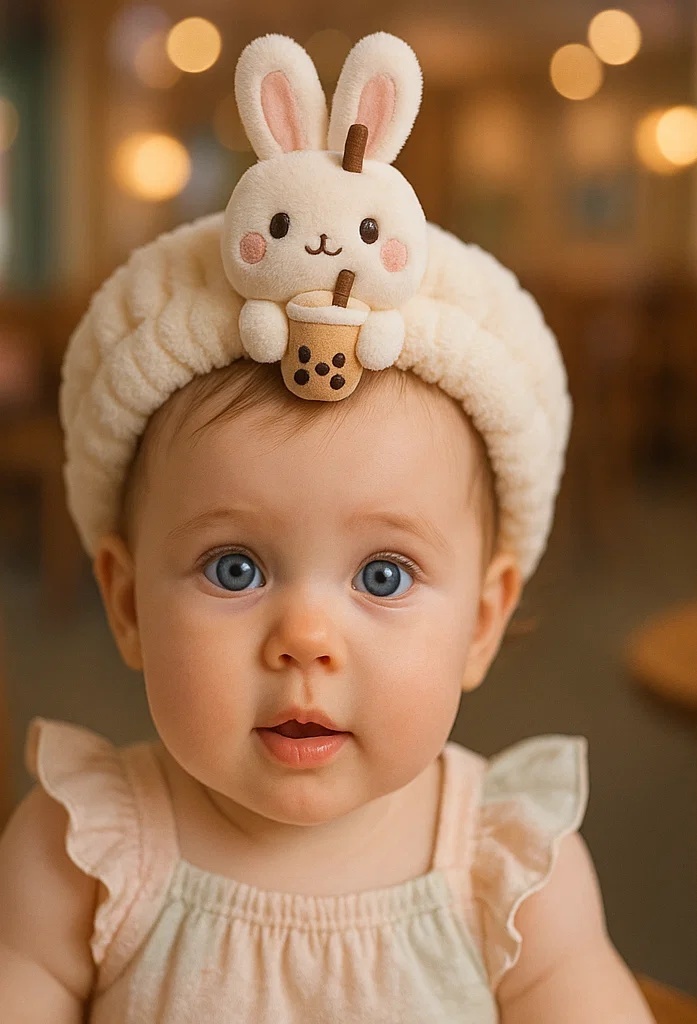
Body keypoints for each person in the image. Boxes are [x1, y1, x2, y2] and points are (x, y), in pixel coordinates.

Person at [0, 31, 655, 1024]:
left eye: (384, 575)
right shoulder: (80, 852)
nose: (305, 638)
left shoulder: (511, 869)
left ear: (483, 620)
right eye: (233, 566)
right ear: (126, 601)